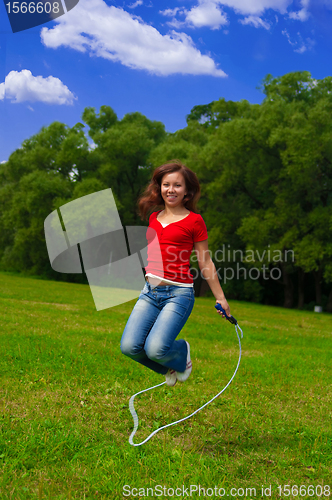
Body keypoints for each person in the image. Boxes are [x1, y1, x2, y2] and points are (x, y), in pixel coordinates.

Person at [120, 160, 231, 387]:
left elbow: (205, 260)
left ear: (187, 191)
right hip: (149, 293)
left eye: (177, 185)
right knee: (129, 346)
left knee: (155, 348)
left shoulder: (194, 221)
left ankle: (181, 350)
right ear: (159, 188)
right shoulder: (154, 217)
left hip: (178, 294)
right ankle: (170, 366)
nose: (171, 189)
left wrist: (220, 297)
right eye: (166, 184)